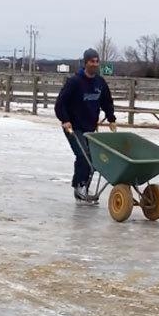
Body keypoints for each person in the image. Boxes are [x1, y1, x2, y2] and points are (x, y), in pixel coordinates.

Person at [55, 48, 117, 204]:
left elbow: (106, 101)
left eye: (97, 62)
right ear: (85, 63)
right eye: (92, 62)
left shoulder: (100, 82)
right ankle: (79, 186)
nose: (95, 64)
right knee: (83, 156)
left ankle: (84, 187)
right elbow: (60, 103)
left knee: (94, 159)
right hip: (73, 127)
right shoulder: (75, 82)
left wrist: (111, 118)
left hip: (90, 128)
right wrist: (65, 119)